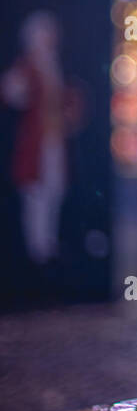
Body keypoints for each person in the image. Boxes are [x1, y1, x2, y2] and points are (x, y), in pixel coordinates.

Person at [1, 13, 79, 265]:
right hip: (35, 141)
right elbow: (12, 91)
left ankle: (48, 244)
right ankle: (36, 250)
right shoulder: (29, 65)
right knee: (34, 195)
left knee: (54, 189)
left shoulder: (53, 65)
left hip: (53, 139)